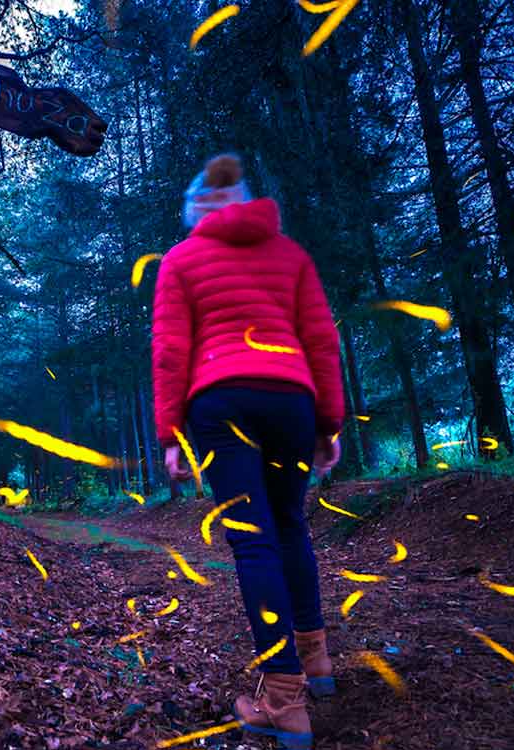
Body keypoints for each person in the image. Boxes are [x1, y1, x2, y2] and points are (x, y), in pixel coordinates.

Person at [152, 153, 344, 749]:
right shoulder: (291, 256)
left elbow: (169, 351)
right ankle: (316, 663)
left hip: (220, 405)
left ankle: (283, 700)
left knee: (252, 538)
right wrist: (328, 422)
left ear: (197, 212)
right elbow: (320, 338)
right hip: (291, 401)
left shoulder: (181, 261)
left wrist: (171, 433)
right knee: (290, 526)